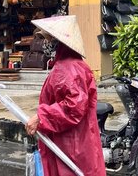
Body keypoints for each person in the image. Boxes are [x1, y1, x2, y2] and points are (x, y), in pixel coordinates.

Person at [25, 15, 106, 176]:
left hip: (70, 144)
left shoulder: (66, 69)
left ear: (57, 42)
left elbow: (73, 107)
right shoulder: (76, 65)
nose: (45, 44)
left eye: (48, 39)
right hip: (79, 141)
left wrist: (41, 117)